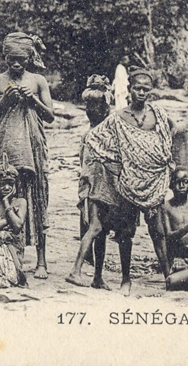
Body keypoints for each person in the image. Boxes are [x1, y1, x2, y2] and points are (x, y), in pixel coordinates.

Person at [67, 68, 174, 296]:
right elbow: (93, 140)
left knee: (157, 230)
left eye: (146, 89)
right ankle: (126, 280)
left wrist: (163, 160)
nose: (142, 92)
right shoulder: (117, 118)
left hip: (153, 182)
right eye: (138, 88)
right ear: (129, 90)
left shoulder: (158, 114)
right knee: (126, 234)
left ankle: (169, 277)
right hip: (126, 185)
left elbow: (168, 134)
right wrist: (113, 168)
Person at [0, 32, 55, 279]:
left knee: (37, 199)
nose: (16, 64)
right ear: (5, 57)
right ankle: (11, 255)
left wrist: (32, 99)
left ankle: (42, 261)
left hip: (33, 148)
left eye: (21, 60)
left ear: (29, 58)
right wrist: (5, 101)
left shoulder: (38, 80)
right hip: (6, 149)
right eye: (11, 59)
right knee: (7, 197)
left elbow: (50, 115)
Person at [76, 74, 111, 276]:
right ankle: (84, 268)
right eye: (88, 106)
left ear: (105, 107)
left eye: (95, 106)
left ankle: (97, 274)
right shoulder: (87, 134)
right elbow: (85, 165)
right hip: (90, 186)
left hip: (105, 187)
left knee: (101, 231)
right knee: (91, 226)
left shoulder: (109, 129)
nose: (90, 111)